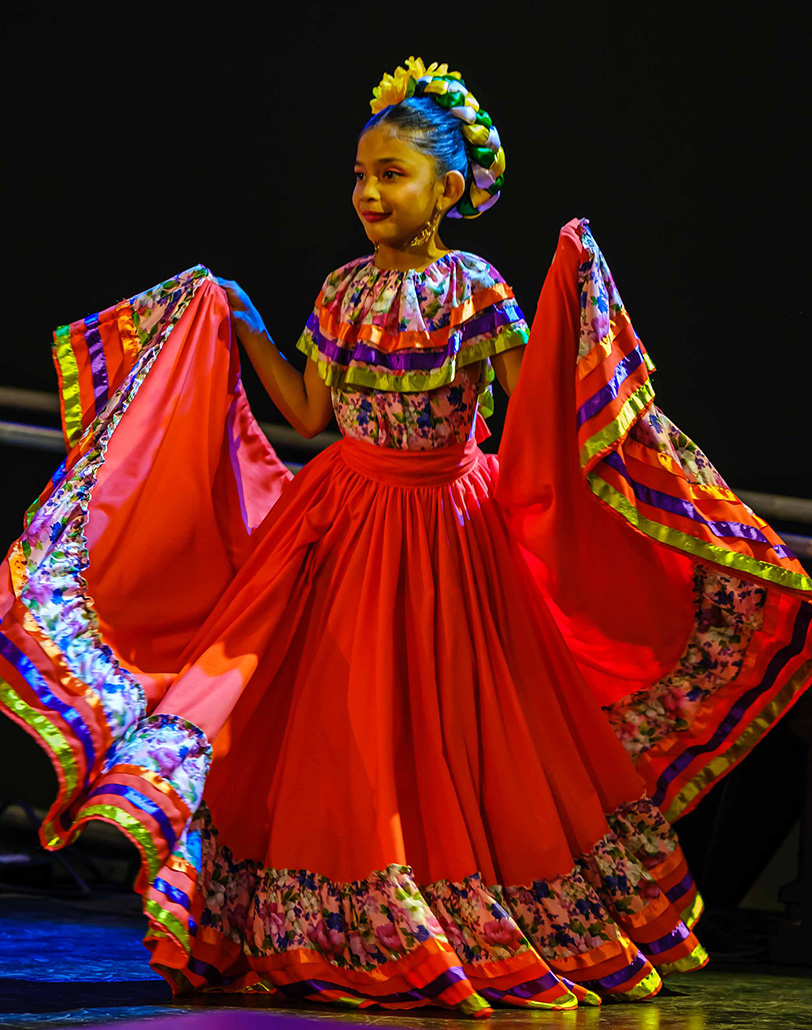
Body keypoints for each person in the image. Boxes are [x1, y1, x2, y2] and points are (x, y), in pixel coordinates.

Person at [1, 57, 810, 1020]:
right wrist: (248, 326)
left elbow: (534, 410)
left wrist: (573, 321)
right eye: (359, 174)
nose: (369, 192)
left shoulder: (477, 293)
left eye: (391, 174)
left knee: (449, 732)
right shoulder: (343, 293)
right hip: (342, 523)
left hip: (450, 534)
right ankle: (325, 918)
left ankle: (461, 913)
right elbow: (309, 410)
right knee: (339, 731)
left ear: (449, 190)